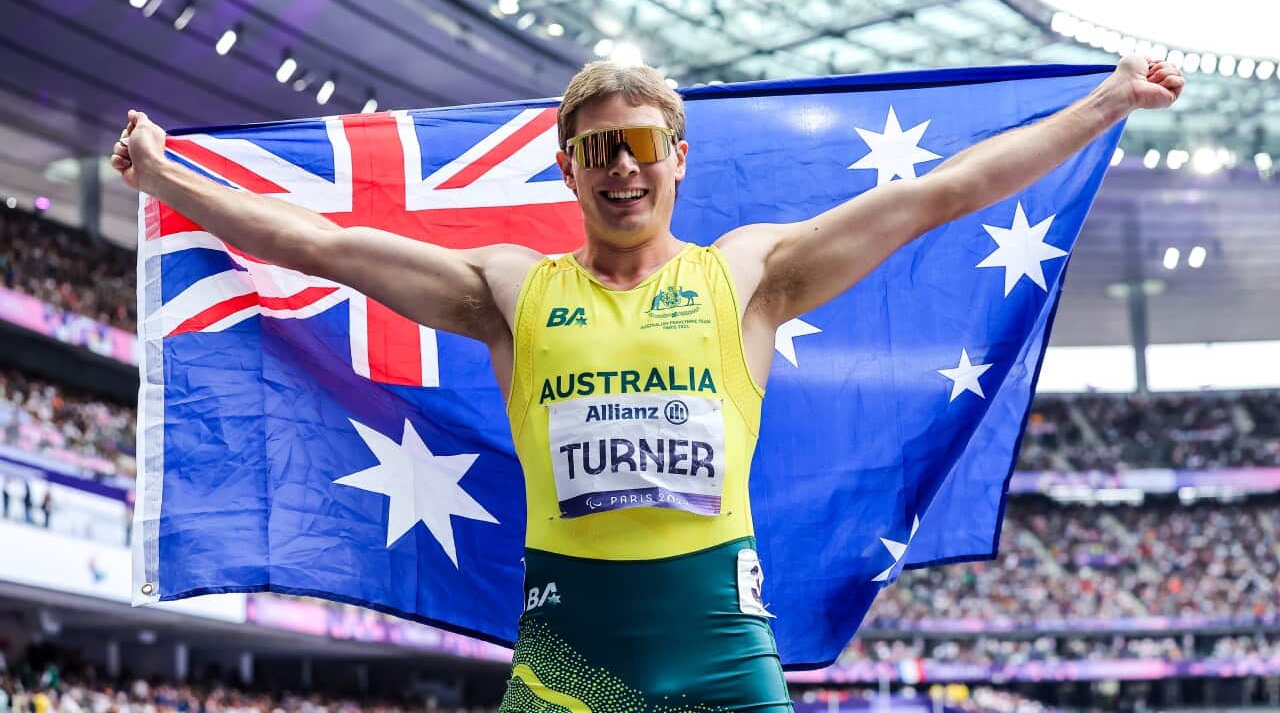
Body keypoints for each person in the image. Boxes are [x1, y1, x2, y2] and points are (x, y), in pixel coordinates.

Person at [112, 54, 1182, 711]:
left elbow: (938, 194)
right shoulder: (509, 290)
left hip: (719, 651)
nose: (621, 166)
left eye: (639, 145)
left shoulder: (750, 278)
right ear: (567, 169)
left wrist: (1100, 106)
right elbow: (320, 245)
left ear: (677, 158)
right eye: (596, 150)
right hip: (567, 664)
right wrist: (167, 179)